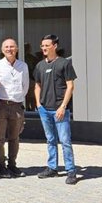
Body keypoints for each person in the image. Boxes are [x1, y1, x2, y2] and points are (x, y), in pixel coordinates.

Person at [34, 34, 78, 185]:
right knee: (50, 139)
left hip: (60, 109)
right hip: (44, 109)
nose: (44, 48)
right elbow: (37, 86)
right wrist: (38, 105)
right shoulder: (40, 65)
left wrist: (63, 106)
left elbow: (70, 86)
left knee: (65, 140)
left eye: (47, 45)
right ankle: (52, 168)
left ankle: (71, 171)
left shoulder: (64, 63)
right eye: (42, 46)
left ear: (55, 46)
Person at [0, 37, 29, 178]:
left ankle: (12, 165)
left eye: (12, 47)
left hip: (17, 106)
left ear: (17, 49)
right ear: (2, 50)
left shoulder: (23, 66)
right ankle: (2, 166)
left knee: (15, 137)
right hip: (0, 105)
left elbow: (25, 86)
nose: (9, 49)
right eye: (6, 47)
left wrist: (17, 99)